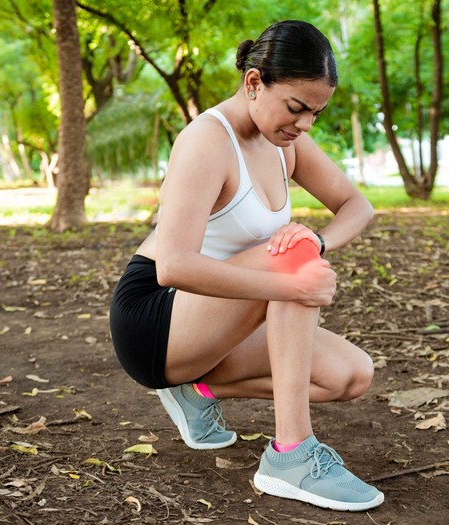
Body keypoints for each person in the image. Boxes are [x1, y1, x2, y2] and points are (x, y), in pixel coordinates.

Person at [109, 20, 384, 512]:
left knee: (350, 375)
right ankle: (291, 455)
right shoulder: (207, 141)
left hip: (215, 321)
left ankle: (198, 391)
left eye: (316, 114)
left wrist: (317, 241)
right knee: (291, 263)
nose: (304, 125)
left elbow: (357, 207)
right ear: (254, 82)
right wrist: (289, 284)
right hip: (155, 318)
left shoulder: (286, 143)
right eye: (296, 108)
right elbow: (172, 266)